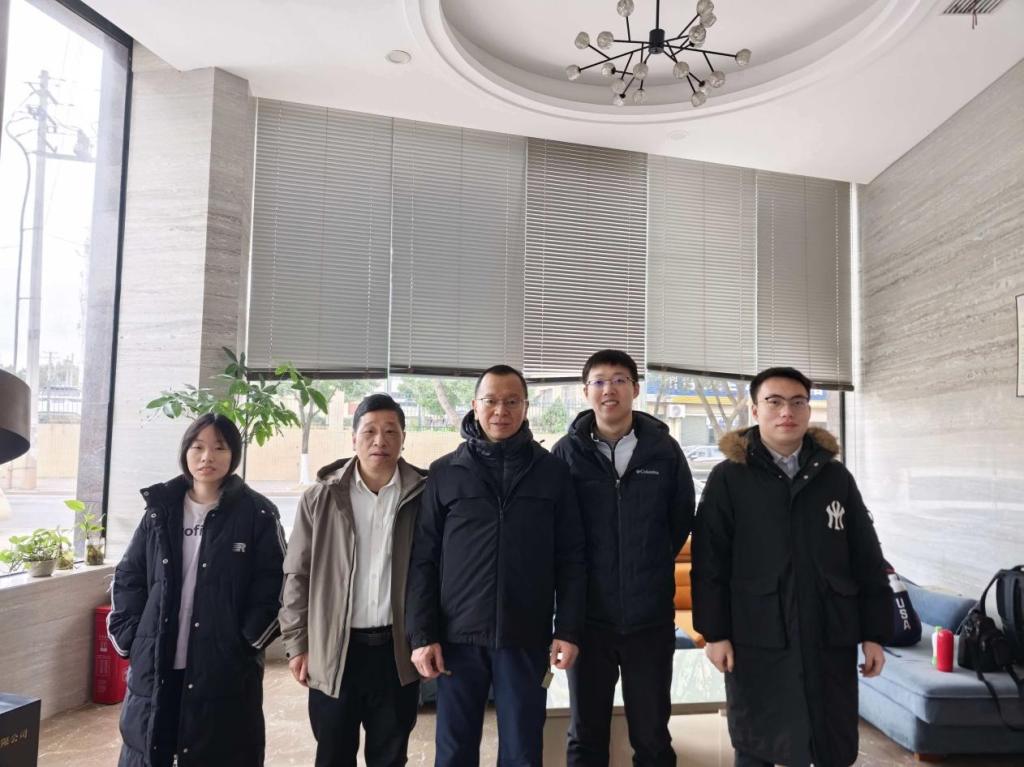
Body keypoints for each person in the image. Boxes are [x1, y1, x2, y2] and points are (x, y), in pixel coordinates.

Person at [691, 367, 893, 767]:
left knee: (830, 741)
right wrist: (715, 633)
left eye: (798, 402)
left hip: (828, 632)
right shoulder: (729, 478)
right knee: (757, 744)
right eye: (775, 402)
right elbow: (709, 562)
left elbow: (867, 559)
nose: (787, 411)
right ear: (754, 410)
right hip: (757, 634)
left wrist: (874, 633)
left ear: (808, 410)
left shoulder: (835, 477)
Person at [406, 364, 586, 767]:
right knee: (454, 752)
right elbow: (423, 561)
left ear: (526, 407)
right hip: (457, 640)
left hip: (526, 638)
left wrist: (568, 629)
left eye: (511, 401)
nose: (500, 411)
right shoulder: (445, 472)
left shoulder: (553, 472)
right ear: (474, 405)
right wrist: (422, 634)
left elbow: (572, 558)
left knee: (523, 752)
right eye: (491, 401)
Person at [108, 413, 286, 767]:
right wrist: (132, 637)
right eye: (198, 447)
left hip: (223, 664)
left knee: (221, 751)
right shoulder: (160, 510)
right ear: (185, 452)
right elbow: (129, 575)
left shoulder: (258, 513)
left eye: (219, 448)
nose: (207, 457)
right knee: (152, 747)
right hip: (158, 659)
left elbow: (276, 583)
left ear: (234, 455)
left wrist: (247, 640)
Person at [552, 349, 695, 767]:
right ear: (585, 392)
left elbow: (680, 519)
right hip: (588, 621)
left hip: (649, 620)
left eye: (618, 380)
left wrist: (646, 561)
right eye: (598, 381)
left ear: (635, 388)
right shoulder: (566, 453)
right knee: (586, 737)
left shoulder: (664, 451)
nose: (608, 389)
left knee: (652, 738)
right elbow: (556, 531)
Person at [279, 394, 426, 767]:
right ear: (353, 438)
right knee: (333, 754)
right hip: (335, 650)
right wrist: (297, 643)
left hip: (395, 652)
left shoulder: (423, 497)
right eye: (370, 431)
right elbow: (297, 574)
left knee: (390, 757)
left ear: (403, 439)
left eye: (390, 431)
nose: (380, 441)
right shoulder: (320, 498)